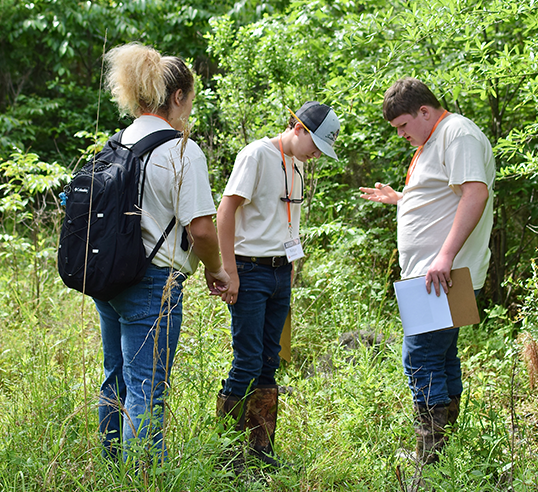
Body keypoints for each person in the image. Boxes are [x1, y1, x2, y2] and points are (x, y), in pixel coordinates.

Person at [94, 42, 229, 462]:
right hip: (153, 283)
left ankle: (114, 465)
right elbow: (203, 229)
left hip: (108, 277)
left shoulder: (115, 143)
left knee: (115, 377)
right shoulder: (181, 150)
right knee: (147, 389)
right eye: (190, 100)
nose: (189, 109)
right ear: (177, 97)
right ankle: (144, 478)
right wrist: (217, 270)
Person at [360, 78, 495, 464]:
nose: (401, 134)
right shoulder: (434, 140)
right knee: (442, 356)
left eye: (403, 125)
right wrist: (402, 199)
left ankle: (429, 454)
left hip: (441, 274)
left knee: (419, 357)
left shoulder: (456, 133)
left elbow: (475, 193)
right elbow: (443, 196)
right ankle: (442, 449)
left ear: (424, 111)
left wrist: (444, 256)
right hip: (437, 273)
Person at [216, 102, 340, 466]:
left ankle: (259, 448)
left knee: (271, 360)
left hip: (280, 271)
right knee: (248, 360)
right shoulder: (256, 154)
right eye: (315, 145)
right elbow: (226, 211)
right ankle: (227, 452)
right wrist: (229, 272)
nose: (316, 154)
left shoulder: (298, 164)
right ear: (298, 128)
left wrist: (288, 269)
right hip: (249, 271)